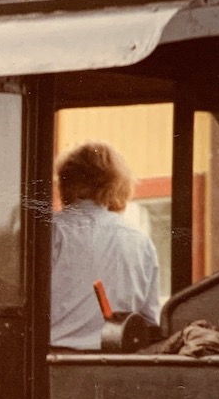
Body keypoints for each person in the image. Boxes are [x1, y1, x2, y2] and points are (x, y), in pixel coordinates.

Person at [50, 141, 161, 350]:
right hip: (117, 358)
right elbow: (148, 320)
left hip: (52, 357)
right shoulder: (139, 240)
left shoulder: (50, 231)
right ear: (116, 184)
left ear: (66, 182)